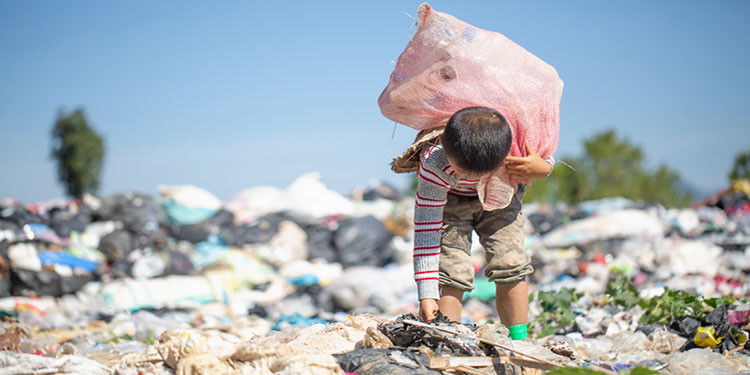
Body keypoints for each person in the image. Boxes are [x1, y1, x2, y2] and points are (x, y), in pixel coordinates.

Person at [410, 106, 554, 340]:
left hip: (502, 197)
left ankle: (519, 341)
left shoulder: (515, 148)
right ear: (445, 147)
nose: (470, 179)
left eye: (480, 173)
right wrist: (426, 294)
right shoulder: (435, 165)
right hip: (452, 202)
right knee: (451, 272)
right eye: (462, 171)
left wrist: (544, 168)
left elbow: (544, 157)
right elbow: (427, 232)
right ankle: (447, 339)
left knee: (511, 265)